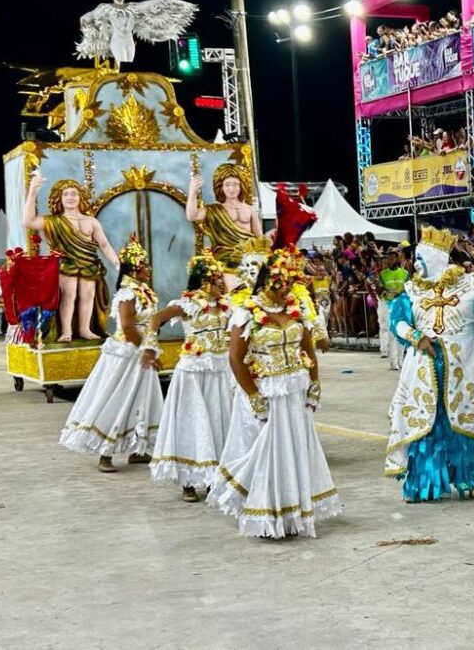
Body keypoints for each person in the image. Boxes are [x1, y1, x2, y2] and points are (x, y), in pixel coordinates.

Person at [208, 248, 341, 538]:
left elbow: (307, 349)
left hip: (294, 391)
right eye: (284, 283)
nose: (289, 288)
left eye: (291, 282)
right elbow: (235, 358)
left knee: (294, 449)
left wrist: (314, 384)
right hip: (266, 392)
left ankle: (294, 512)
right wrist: (254, 396)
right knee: (267, 451)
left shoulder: (295, 309)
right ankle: (267, 516)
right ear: (268, 281)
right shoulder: (246, 312)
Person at [385, 225, 474, 502]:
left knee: (468, 425)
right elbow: (397, 322)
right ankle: (423, 484)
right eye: (416, 258)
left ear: (438, 259)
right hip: (424, 369)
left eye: (421, 258)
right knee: (427, 425)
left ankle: (471, 478)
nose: (415, 264)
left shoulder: (470, 286)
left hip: (466, 368)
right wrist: (415, 336)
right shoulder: (412, 291)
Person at [58, 235, 164, 473]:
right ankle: (105, 453)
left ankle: (139, 449)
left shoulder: (142, 290)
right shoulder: (128, 293)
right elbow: (127, 327)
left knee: (144, 399)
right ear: (136, 267)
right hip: (126, 354)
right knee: (117, 399)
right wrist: (146, 350)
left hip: (141, 351)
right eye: (145, 265)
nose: (149, 268)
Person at [145, 250, 234, 502]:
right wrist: (151, 345)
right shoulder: (187, 303)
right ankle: (188, 480)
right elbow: (156, 319)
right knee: (193, 422)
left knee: (220, 421)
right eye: (218, 280)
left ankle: (214, 476)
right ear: (205, 281)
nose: (222, 285)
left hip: (219, 370)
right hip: (194, 373)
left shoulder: (225, 306)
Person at [23, 174, 118, 342]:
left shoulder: (91, 221)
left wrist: (117, 262)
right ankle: (66, 331)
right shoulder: (53, 221)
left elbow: (104, 245)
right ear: (59, 198)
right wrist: (32, 192)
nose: (70, 197)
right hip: (66, 264)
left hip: (89, 263)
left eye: (74, 193)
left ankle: (84, 329)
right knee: (69, 295)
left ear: (80, 196)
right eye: (65, 194)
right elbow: (28, 221)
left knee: (88, 295)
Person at [186, 163, 261, 290]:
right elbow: (192, 215)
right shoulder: (214, 210)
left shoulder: (250, 209)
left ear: (241, 186)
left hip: (250, 257)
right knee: (233, 286)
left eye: (235, 184)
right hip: (225, 258)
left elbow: (259, 238)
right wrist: (193, 192)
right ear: (220, 187)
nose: (232, 188)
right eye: (227, 185)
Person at [377, 248, 409, 370]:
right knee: (391, 333)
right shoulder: (383, 274)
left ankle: (401, 360)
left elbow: (408, 288)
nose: (389, 260)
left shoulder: (405, 273)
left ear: (397, 259)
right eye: (388, 258)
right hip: (388, 305)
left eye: (391, 258)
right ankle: (393, 361)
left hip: (401, 306)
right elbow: (379, 290)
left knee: (402, 332)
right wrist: (384, 291)